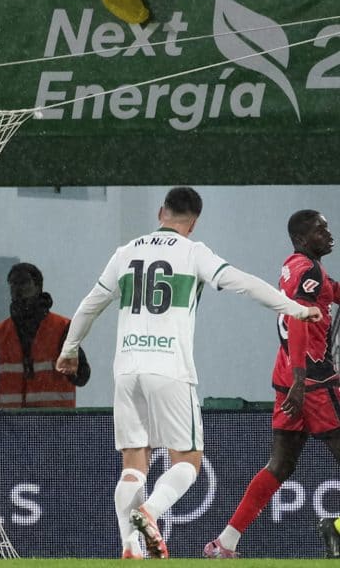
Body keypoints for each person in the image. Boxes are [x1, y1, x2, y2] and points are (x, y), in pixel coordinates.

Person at [55, 187, 321, 559]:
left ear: (161, 212)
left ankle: (131, 546)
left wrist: (69, 350)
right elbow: (243, 283)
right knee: (188, 459)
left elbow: (89, 305)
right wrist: (295, 308)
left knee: (134, 460)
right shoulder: (193, 252)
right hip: (170, 368)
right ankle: (149, 513)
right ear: (193, 222)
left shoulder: (126, 252)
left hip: (127, 368)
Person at [204, 210, 338, 559]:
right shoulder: (309, 270)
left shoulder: (296, 265)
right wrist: (300, 379)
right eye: (320, 230)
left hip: (286, 378)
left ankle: (226, 542)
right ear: (301, 238)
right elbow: (297, 320)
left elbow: (329, 291)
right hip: (311, 380)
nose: (328, 233)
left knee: (279, 465)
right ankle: (337, 529)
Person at [0, 262, 90, 408]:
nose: (18, 288)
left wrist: (74, 372)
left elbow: (82, 375)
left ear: (38, 287)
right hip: (12, 427)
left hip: (54, 426)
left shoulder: (61, 329)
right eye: (13, 283)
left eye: (24, 282)